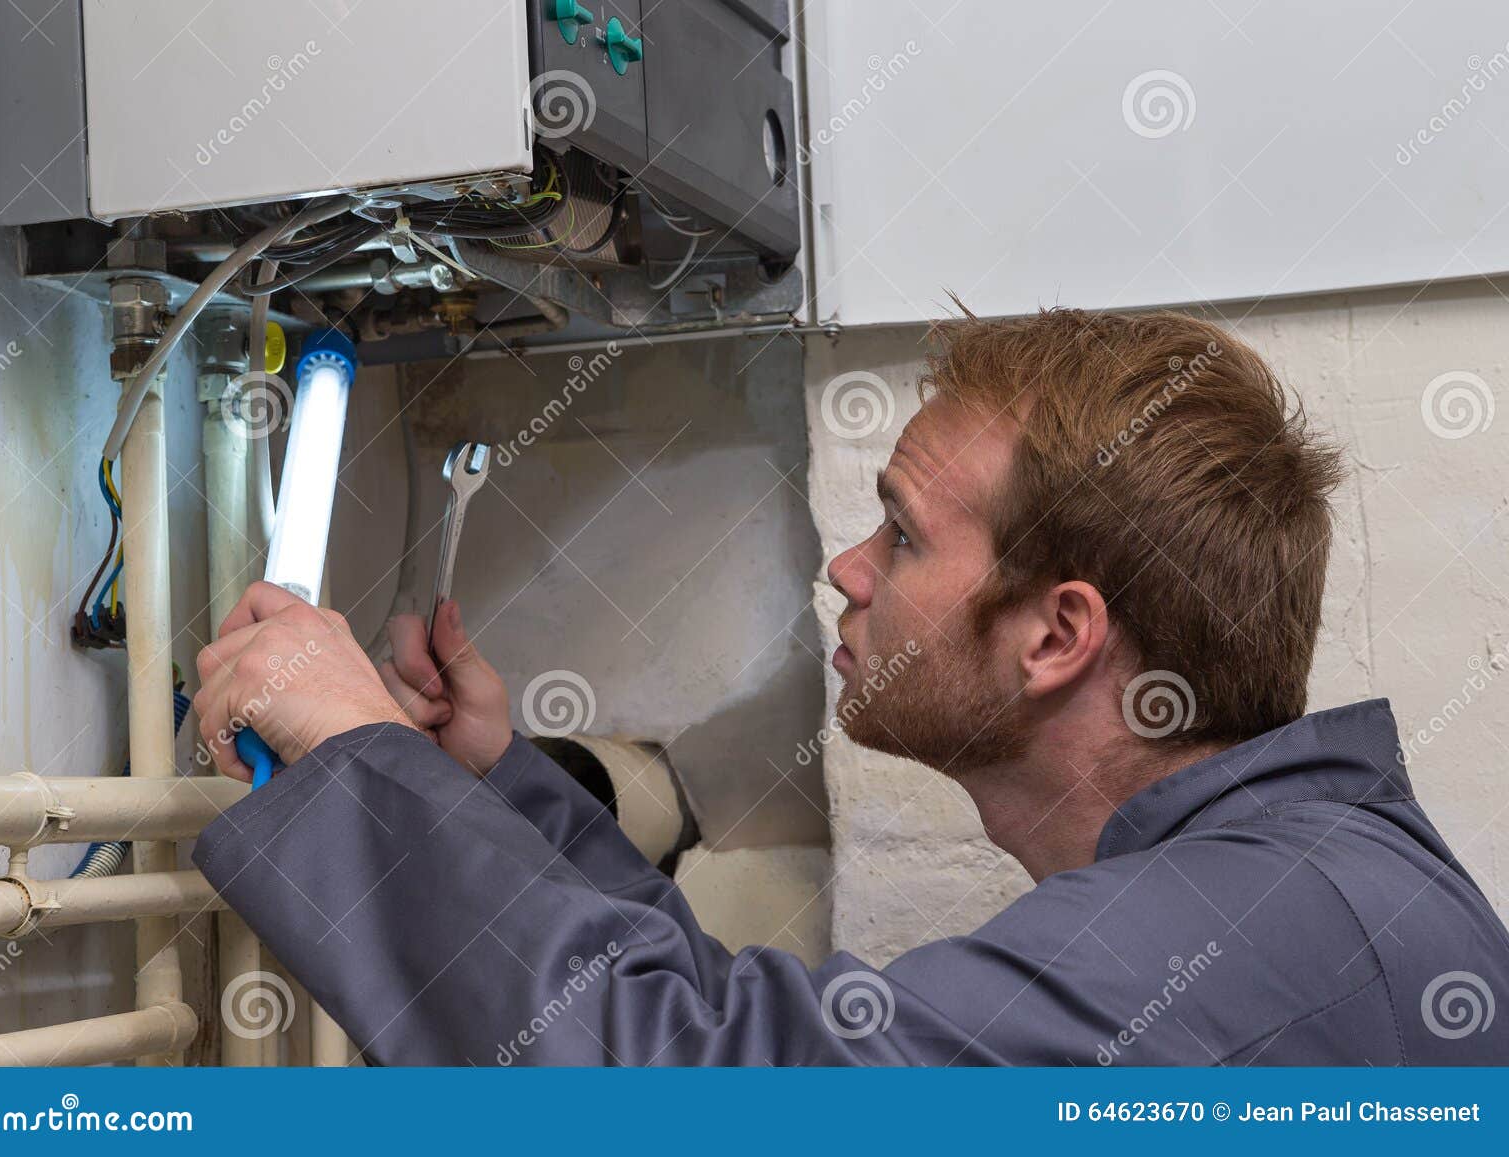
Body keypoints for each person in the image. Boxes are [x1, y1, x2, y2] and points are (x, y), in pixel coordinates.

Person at [192, 308, 1509, 1065]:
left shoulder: (1229, 948)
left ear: (1057, 635)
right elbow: (744, 1043)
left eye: (904, 534)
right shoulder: (1298, 883)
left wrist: (364, 750)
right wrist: (481, 787)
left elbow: (697, 1095)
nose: (845, 565)